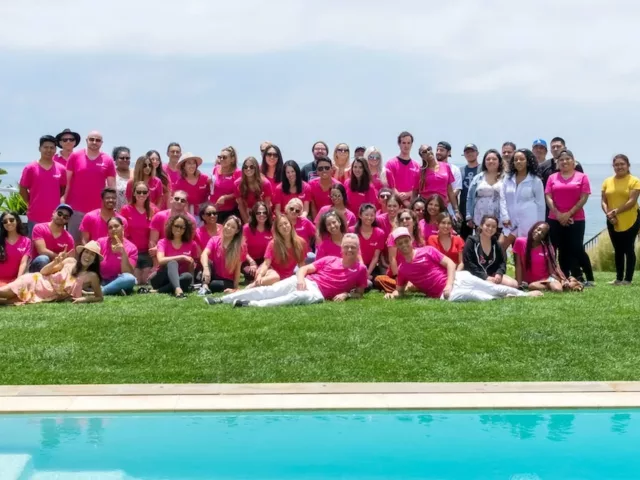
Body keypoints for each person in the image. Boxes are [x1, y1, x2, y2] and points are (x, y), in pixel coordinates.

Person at [204, 234, 367, 308]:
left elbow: (360, 292)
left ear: (358, 249)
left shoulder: (360, 269)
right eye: (346, 246)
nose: (349, 250)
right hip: (308, 282)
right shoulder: (330, 259)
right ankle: (222, 300)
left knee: (295, 297)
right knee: (271, 290)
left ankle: (251, 304)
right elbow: (304, 268)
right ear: (342, 249)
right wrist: (302, 280)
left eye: (353, 247)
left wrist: (347, 295)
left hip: (319, 294)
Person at [384, 227, 541, 302]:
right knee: (475, 296)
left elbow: (451, 264)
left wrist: (449, 284)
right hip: (443, 294)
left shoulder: (427, 251)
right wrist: (392, 294)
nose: (404, 245)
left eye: (406, 241)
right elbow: (400, 290)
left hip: (456, 280)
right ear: (396, 246)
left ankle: (524, 295)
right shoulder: (402, 269)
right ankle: (505, 298)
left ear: (411, 241)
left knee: (491, 287)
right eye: (400, 243)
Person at [545, 149, 594, 285]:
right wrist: (558, 214)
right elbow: (548, 196)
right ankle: (564, 276)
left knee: (576, 247)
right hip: (555, 219)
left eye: (567, 159)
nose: (564, 162)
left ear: (573, 161)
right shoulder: (552, 178)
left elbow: (584, 197)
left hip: (576, 218)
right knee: (559, 248)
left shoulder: (582, 177)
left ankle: (589, 277)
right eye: (561, 160)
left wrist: (568, 214)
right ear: (557, 162)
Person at [0, 241, 104, 305]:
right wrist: (55, 262)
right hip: (36, 281)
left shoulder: (92, 276)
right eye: (86, 252)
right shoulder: (70, 261)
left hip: (45, 294)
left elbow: (99, 297)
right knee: (4, 293)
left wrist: (84, 299)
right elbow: (43, 272)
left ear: (94, 260)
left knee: (7, 298)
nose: (87, 256)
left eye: (92, 254)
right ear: (81, 253)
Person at [63, 130, 116, 242]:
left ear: (101, 143)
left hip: (98, 211)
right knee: (74, 242)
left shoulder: (108, 160)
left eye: (97, 140)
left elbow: (112, 187)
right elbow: (66, 183)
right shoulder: (75, 156)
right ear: (87, 141)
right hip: (76, 210)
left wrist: (112, 207)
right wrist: (63, 202)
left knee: (96, 243)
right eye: (91, 139)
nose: (94, 142)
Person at [601, 154, 640, 285]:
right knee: (617, 249)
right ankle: (618, 278)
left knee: (628, 249)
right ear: (613, 167)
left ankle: (627, 279)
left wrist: (616, 212)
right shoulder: (607, 181)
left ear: (628, 165)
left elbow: (632, 201)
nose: (619, 167)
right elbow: (603, 201)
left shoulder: (634, 180)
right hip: (612, 219)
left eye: (622, 164)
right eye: (616, 164)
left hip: (631, 218)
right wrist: (609, 214)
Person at [19, 135, 67, 234]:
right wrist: (30, 203)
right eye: (45, 147)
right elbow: (22, 189)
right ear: (39, 148)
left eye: (52, 147)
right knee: (34, 246)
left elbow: (62, 189)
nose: (49, 150)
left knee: (54, 246)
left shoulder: (61, 169)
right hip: (35, 216)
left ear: (55, 150)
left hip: (55, 217)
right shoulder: (30, 168)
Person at [499, 148, 545, 250]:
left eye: (521, 159)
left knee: (522, 254)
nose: (518, 162)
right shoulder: (507, 179)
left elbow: (541, 205)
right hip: (510, 222)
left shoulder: (535, 180)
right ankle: (501, 267)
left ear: (528, 161)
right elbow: (502, 199)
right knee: (500, 246)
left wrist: (540, 226)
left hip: (528, 222)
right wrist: (505, 216)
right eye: (516, 160)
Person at [248, 214, 308, 288]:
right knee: (275, 277)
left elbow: (301, 264)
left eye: (286, 223)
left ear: (290, 224)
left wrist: (304, 278)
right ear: (277, 229)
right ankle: (251, 286)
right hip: (269, 272)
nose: (284, 227)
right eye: (280, 225)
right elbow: (266, 264)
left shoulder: (301, 243)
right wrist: (260, 275)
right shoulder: (273, 244)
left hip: (286, 277)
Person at [147, 214, 197, 298]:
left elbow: (190, 270)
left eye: (182, 227)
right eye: (176, 226)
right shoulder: (163, 242)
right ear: (171, 226)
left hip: (179, 278)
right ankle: (178, 289)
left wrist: (191, 265)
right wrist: (182, 257)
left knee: (187, 277)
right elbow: (160, 260)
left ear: (186, 229)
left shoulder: (192, 244)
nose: (179, 229)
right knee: (172, 263)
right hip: (161, 277)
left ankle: (158, 291)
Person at [463, 215, 518, 288]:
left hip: (492, 276)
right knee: (489, 284)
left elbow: (502, 262)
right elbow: (468, 263)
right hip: (475, 275)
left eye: (494, 226)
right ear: (481, 225)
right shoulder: (471, 241)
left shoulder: (496, 244)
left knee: (514, 284)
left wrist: (499, 273)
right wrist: (485, 277)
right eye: (487, 225)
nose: (490, 228)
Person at [120, 182, 158, 285]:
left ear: (148, 193)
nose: (141, 195)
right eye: (139, 192)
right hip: (132, 253)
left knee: (146, 280)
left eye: (144, 192)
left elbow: (158, 232)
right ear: (134, 193)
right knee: (136, 281)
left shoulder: (153, 210)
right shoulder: (126, 210)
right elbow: (122, 233)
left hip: (147, 253)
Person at [513, 222, 564, 292]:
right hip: (530, 283)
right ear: (533, 228)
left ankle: (559, 283)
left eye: (543, 233)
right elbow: (518, 265)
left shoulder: (547, 248)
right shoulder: (519, 242)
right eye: (538, 229)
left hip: (546, 279)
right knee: (532, 286)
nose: (539, 233)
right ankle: (551, 286)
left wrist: (562, 277)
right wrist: (518, 285)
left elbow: (553, 265)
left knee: (557, 289)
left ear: (544, 237)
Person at [201, 215, 246, 293]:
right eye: (227, 225)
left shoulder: (240, 247)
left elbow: (238, 269)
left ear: (237, 231)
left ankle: (205, 285)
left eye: (233, 227)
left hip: (227, 280)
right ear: (223, 225)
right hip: (214, 275)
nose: (228, 228)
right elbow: (204, 254)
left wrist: (235, 288)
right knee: (206, 262)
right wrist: (206, 269)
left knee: (215, 285)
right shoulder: (214, 240)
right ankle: (204, 286)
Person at [414, 144, 460, 215]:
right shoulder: (420, 171)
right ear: (422, 156)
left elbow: (450, 191)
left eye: (429, 149)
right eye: (424, 152)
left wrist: (456, 210)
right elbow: (415, 193)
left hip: (442, 207)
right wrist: (411, 210)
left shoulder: (446, 166)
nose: (428, 152)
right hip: (426, 207)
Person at [466, 149, 503, 234]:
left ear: (499, 161)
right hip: (480, 218)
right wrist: (469, 216)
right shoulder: (478, 178)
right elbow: (470, 197)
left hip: (500, 219)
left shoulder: (505, 178)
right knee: (481, 244)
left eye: (494, 159)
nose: (491, 161)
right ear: (484, 162)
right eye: (488, 159)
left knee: (498, 245)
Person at [97, 217, 138, 296]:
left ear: (122, 227)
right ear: (108, 231)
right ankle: (114, 289)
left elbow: (128, 273)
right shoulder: (100, 242)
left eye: (116, 226)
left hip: (119, 279)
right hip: (101, 279)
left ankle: (103, 290)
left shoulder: (132, 248)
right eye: (110, 227)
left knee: (130, 279)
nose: (113, 229)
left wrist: (123, 253)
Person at [29, 204, 75, 273]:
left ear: (68, 220)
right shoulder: (39, 228)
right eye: (59, 214)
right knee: (43, 258)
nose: (62, 217)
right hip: (39, 265)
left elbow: (71, 258)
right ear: (53, 213)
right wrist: (59, 257)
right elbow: (42, 251)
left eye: (65, 217)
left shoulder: (69, 238)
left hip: (57, 268)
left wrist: (65, 259)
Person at [352, 203, 385, 281]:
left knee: (378, 280)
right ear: (360, 215)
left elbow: (375, 256)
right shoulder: (352, 231)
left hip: (371, 267)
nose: (369, 217)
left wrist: (367, 273)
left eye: (372, 215)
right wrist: (363, 270)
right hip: (355, 265)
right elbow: (355, 253)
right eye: (366, 215)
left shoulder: (380, 233)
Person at [386, 131, 419, 207]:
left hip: (411, 205)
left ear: (411, 144)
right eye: (403, 143)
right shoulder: (390, 164)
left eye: (408, 143)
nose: (406, 146)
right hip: (394, 205)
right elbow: (389, 185)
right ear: (399, 144)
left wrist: (407, 195)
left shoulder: (417, 166)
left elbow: (418, 187)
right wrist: (401, 199)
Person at [236, 156, 273, 223]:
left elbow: (267, 205)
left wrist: (264, 223)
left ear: (256, 168)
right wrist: (247, 223)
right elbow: (241, 206)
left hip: (262, 214)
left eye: (251, 167)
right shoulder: (237, 184)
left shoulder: (266, 184)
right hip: (246, 215)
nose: (248, 169)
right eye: (245, 167)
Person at [242, 202, 273, 281]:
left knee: (264, 273)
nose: (261, 215)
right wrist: (251, 262)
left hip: (265, 260)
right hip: (248, 260)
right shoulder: (246, 228)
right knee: (251, 274)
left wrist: (263, 265)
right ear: (254, 214)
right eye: (258, 213)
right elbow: (241, 248)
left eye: (264, 212)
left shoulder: (272, 228)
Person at [209, 146, 241, 223]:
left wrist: (225, 197)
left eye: (224, 157)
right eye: (220, 157)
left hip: (230, 211)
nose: (221, 159)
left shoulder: (237, 172)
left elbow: (240, 192)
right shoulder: (215, 168)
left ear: (232, 159)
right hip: (214, 210)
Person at [173, 152, 210, 218]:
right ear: (183, 166)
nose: (192, 166)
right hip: (188, 214)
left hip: (205, 214)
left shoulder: (205, 178)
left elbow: (212, 194)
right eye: (189, 163)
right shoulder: (179, 183)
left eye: (194, 163)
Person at [0, 212, 31, 286]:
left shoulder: (26, 241)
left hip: (14, 281)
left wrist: (18, 281)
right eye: (5, 221)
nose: (8, 223)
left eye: (11, 220)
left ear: (17, 220)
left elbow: (23, 263)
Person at [435, 141, 462, 219]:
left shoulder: (454, 169)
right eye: (437, 150)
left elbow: (457, 189)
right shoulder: (431, 168)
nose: (438, 152)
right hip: (433, 206)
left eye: (441, 150)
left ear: (448, 152)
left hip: (449, 207)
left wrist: (445, 199)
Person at [459, 143, 480, 238]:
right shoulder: (460, 170)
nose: (469, 154)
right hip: (464, 209)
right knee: (465, 238)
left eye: (472, 151)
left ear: (477, 153)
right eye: (467, 152)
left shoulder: (483, 169)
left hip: (480, 207)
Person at [113, 146, 132, 211]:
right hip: (114, 213)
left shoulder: (135, 173)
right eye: (122, 158)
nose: (125, 160)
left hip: (131, 213)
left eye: (127, 158)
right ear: (115, 159)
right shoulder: (111, 174)